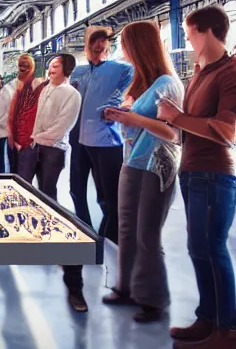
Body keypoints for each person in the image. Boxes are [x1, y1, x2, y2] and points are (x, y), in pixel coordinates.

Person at [158, 4, 236, 349]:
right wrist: (165, 122)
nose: (188, 41)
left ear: (206, 31)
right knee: (198, 248)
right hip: (192, 172)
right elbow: (183, 129)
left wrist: (175, 117)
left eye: (190, 34)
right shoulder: (200, 75)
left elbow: (226, 131)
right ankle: (208, 319)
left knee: (213, 248)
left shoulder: (230, 72)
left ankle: (227, 329)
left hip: (214, 173)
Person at [101, 21, 183, 323]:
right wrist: (120, 117)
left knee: (147, 234)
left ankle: (154, 299)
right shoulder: (142, 83)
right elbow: (136, 119)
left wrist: (134, 120)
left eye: (126, 44)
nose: (123, 50)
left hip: (155, 165)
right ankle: (127, 288)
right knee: (126, 229)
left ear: (140, 46)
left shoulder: (167, 83)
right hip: (132, 161)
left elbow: (174, 132)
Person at [62, 27, 133, 313]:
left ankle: (107, 241)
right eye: (94, 45)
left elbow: (132, 91)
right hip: (78, 140)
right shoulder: (78, 72)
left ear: (109, 47)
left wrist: (118, 105)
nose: (98, 49)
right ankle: (87, 234)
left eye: (103, 46)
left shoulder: (120, 69)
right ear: (88, 47)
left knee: (109, 197)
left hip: (106, 141)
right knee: (77, 191)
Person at [18, 54, 81, 199]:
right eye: (50, 65)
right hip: (33, 145)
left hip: (53, 149)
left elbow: (61, 127)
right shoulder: (43, 88)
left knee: (47, 192)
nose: (50, 69)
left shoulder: (72, 94)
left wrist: (36, 136)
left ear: (66, 68)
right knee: (23, 185)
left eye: (55, 65)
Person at [7, 54, 47, 174]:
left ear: (33, 67)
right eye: (21, 64)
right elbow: (11, 115)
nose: (23, 67)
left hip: (28, 143)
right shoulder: (14, 86)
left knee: (23, 179)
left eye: (26, 64)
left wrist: (23, 142)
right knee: (16, 176)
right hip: (15, 142)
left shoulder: (37, 85)